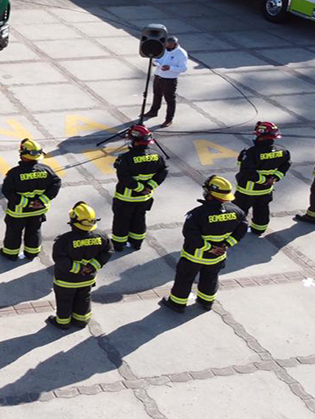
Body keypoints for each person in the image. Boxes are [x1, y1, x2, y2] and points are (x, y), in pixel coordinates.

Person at [163, 176, 247, 313]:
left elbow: (191, 235)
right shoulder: (237, 211)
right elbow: (241, 230)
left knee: (185, 278)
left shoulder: (197, 214)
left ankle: (177, 303)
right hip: (217, 257)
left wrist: (209, 248)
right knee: (211, 277)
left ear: (209, 195)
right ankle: (206, 301)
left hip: (194, 257)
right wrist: (226, 245)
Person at [48, 202, 112, 330]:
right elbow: (108, 252)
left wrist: (78, 269)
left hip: (66, 280)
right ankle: (81, 320)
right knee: (84, 298)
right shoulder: (101, 236)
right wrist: (92, 266)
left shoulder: (64, 240)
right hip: (87, 278)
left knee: (64, 301)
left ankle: (63, 322)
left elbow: (60, 259)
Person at [0, 138, 61, 261]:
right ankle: (32, 253)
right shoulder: (46, 170)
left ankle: (10, 254)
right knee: (34, 231)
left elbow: (7, 191)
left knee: (14, 233)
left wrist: (27, 203)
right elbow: (56, 183)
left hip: (18, 212)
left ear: (22, 155)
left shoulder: (14, 174)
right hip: (39, 210)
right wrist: (43, 200)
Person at [111, 125, 168, 252]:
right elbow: (163, 171)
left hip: (126, 198)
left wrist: (140, 187)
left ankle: (119, 245)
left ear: (135, 141)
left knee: (121, 221)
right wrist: (149, 186)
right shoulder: (157, 156)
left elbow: (124, 178)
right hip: (145, 198)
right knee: (139, 219)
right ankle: (137, 243)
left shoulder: (125, 158)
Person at [234, 122, 291, 235]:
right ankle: (259, 229)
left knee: (239, 210)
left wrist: (263, 180)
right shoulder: (282, 151)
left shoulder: (251, 153)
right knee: (262, 209)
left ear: (261, 136)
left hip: (247, 190)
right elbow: (286, 165)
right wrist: (274, 178)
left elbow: (246, 172)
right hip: (266, 190)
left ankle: (235, 230)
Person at [144, 36, 188, 128]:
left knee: (170, 100)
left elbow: (183, 68)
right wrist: (155, 62)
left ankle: (169, 119)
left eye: (169, 45)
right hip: (158, 75)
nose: (167, 47)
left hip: (169, 80)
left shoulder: (181, 53)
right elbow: (157, 58)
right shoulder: (163, 49)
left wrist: (170, 68)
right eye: (166, 45)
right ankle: (153, 111)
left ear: (175, 44)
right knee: (156, 94)